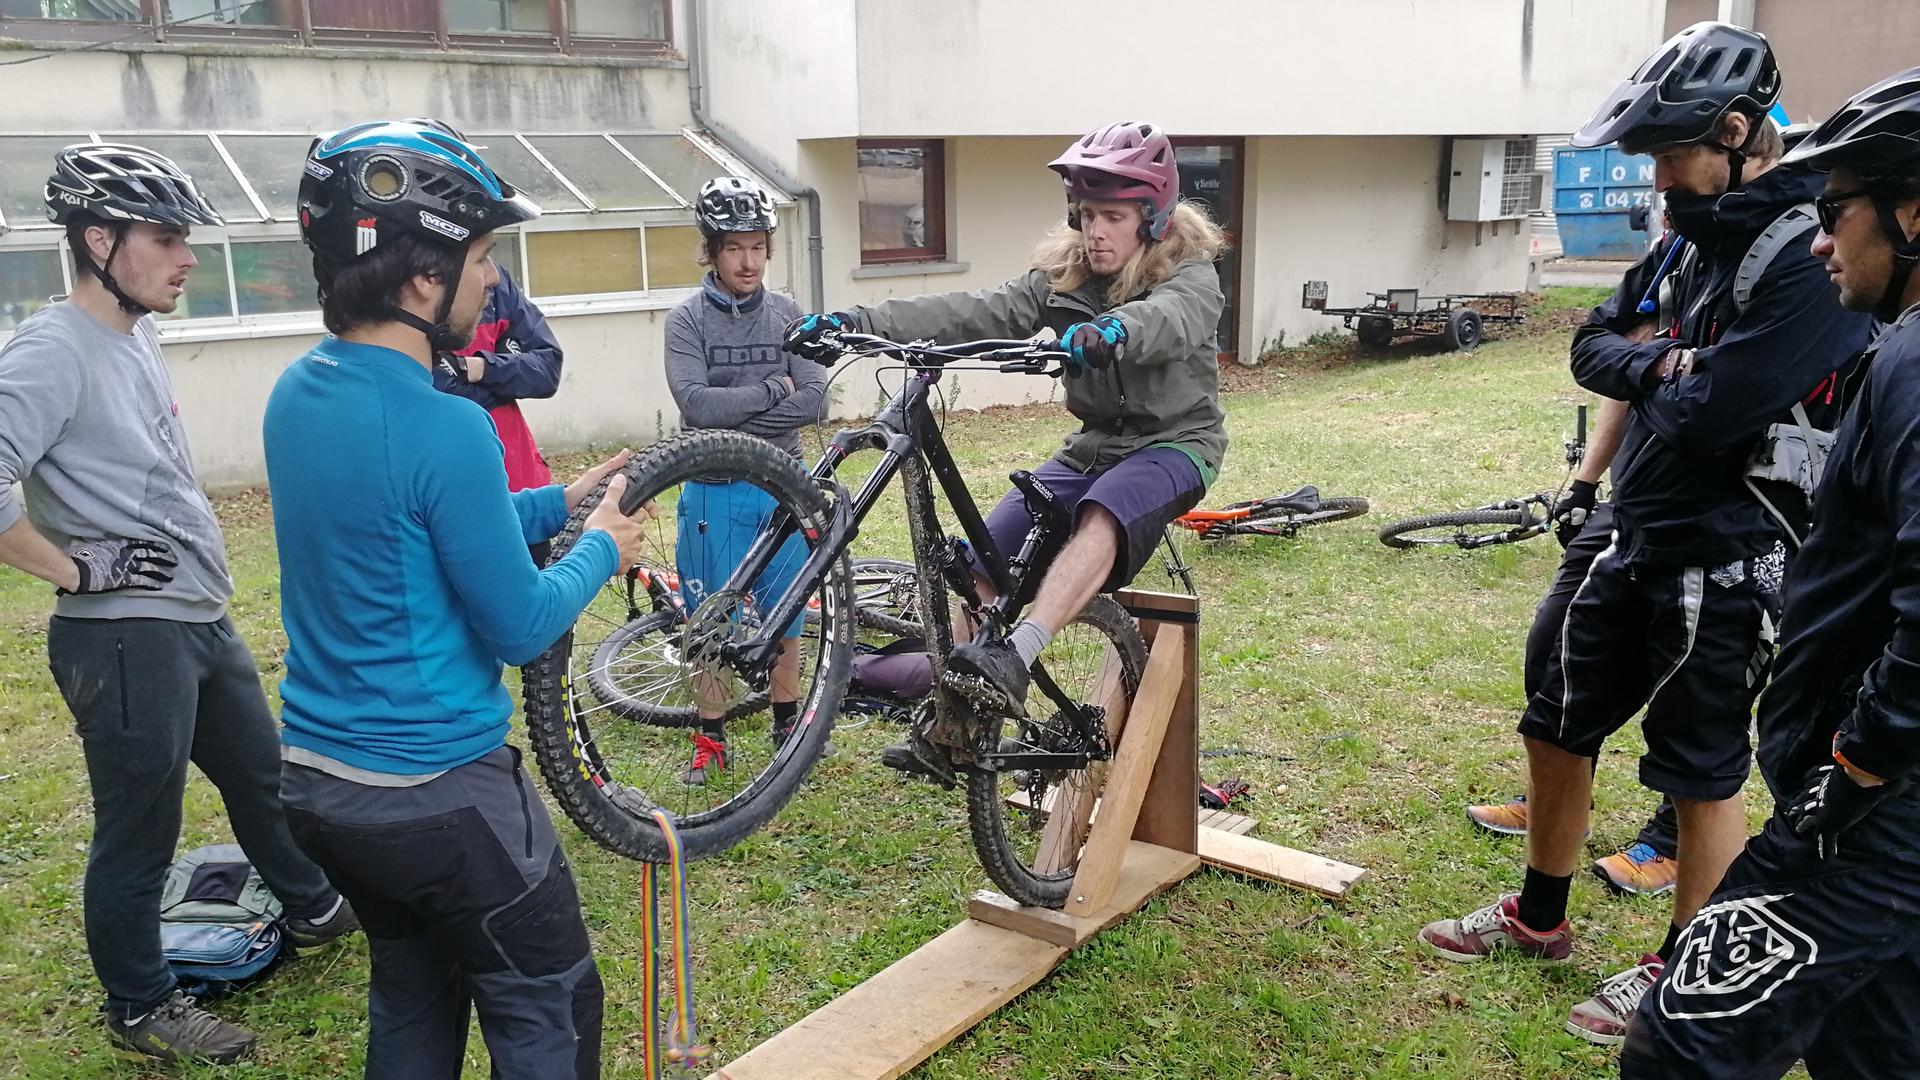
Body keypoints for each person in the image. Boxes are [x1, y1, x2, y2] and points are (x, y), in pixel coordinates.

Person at [1418, 22, 1876, 1047]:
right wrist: (1665, 365)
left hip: (1733, 546)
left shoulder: (1802, 257)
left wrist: (1660, 364)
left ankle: (1679, 969)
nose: (1658, 177)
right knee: (1554, 718)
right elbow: (1593, 347)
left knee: (1697, 768)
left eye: (1673, 152)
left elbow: (1720, 413)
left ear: (1739, 131)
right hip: (1636, 524)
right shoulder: (1684, 237)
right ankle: (1539, 917)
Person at [266, 119, 653, 1079]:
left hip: (322, 786)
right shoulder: (447, 425)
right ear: (421, 277)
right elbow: (521, 624)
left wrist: (551, 504)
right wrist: (601, 545)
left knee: (414, 989)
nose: (491, 282)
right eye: (481, 256)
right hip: (437, 793)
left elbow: (397, 522)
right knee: (546, 1004)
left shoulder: (295, 395)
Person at [0, 143, 358, 1064]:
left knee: (263, 776)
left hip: (195, 618)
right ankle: (139, 1006)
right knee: (140, 830)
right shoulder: (50, 350)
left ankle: (316, 908)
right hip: (123, 642)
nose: (187, 256)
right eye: (166, 237)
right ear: (99, 239)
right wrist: (77, 570)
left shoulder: (134, 331)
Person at [1621, 65, 1920, 1079]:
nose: (1824, 238)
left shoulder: (1918, 368)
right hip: (1875, 799)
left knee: (1676, 1046)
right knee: (1875, 1051)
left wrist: (1860, 763)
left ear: (1914, 211)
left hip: (1873, 812)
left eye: (1838, 211)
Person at [786, 121, 1226, 758]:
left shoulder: (1190, 275)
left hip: (1176, 445)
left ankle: (1020, 654)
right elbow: (971, 310)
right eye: (1085, 214)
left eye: (1111, 216)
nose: (1094, 230)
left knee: (1103, 512)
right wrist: (857, 320)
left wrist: (1115, 332)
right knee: (981, 562)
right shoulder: (1065, 276)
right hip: (1094, 445)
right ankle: (952, 721)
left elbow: (1170, 320)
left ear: (1152, 219)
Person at [1465, 397, 1683, 898]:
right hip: (1631, 503)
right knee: (1552, 647)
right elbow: (1618, 374)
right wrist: (1585, 482)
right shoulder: (1669, 318)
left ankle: (1672, 838)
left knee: (1690, 687)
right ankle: (1561, 802)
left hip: (1726, 518)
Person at [663, 175, 827, 784]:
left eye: (758, 246)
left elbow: (814, 398)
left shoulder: (788, 313)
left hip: (784, 487)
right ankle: (710, 739)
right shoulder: (686, 322)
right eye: (734, 247)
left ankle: (787, 722)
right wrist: (769, 390)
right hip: (714, 488)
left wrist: (743, 406)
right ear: (711, 250)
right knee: (710, 619)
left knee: (787, 613)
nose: (748, 260)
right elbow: (696, 407)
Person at [407, 119, 568, 560]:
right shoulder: (409, 306)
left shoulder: (496, 285)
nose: (491, 275)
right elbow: (433, 385)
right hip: (459, 491)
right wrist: (500, 375)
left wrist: (481, 367)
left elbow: (548, 369)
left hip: (522, 482)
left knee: (547, 618)